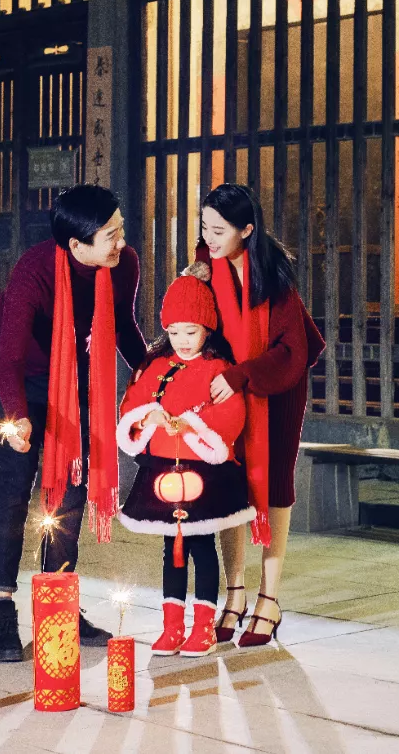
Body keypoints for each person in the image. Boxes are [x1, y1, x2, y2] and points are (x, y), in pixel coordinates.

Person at [0, 184, 147, 662]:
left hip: (77, 377)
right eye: (110, 235)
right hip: (19, 375)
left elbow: (124, 324)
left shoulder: (122, 265)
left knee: (74, 484)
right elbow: (7, 358)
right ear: (76, 245)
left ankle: (59, 602)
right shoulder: (35, 271)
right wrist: (17, 419)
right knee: (14, 481)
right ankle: (2, 609)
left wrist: (151, 370)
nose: (121, 242)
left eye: (120, 230)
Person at [194, 183, 325, 647]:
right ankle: (235, 592)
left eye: (219, 229)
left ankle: (269, 599)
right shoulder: (204, 269)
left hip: (275, 389)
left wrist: (245, 374)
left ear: (246, 230)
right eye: (204, 226)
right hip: (225, 390)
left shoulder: (273, 275)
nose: (209, 237)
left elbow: (295, 349)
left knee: (272, 489)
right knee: (229, 484)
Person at [115, 272, 252, 658]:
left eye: (190, 332)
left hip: (203, 472)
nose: (182, 341)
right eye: (174, 333)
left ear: (206, 329)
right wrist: (149, 417)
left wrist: (191, 425)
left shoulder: (216, 368)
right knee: (169, 548)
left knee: (201, 545)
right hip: (162, 470)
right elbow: (133, 405)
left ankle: (203, 627)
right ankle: (172, 625)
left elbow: (230, 413)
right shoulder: (156, 365)